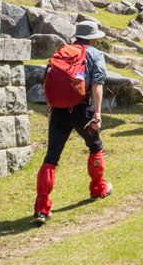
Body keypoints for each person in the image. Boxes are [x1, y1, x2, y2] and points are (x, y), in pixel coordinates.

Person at [33, 19, 112, 224]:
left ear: (77, 36)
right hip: (81, 110)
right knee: (95, 146)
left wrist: (51, 112)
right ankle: (98, 188)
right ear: (93, 38)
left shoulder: (63, 51)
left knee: (51, 158)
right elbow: (97, 85)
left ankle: (42, 207)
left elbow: (51, 82)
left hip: (58, 111)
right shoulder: (94, 54)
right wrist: (97, 113)